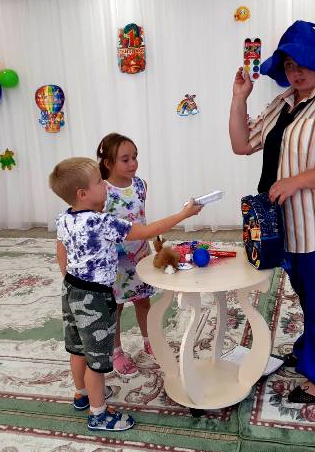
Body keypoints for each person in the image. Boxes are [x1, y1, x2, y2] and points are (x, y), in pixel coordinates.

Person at [228, 20, 315, 404]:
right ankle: (310, 350)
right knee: (308, 295)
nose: (296, 72)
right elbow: (242, 143)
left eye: (303, 63)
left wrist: (296, 181)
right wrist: (239, 98)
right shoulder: (283, 103)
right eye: (289, 64)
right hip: (289, 224)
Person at [49, 158, 202, 430]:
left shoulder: (64, 218)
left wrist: (71, 283)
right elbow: (148, 231)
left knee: (77, 348)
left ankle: (82, 395)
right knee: (97, 361)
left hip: (71, 289)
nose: (104, 185)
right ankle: (99, 414)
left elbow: (61, 254)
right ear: (82, 194)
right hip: (96, 297)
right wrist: (184, 214)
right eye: (99, 182)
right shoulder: (102, 222)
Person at [96, 133, 155, 378]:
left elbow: (140, 218)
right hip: (114, 263)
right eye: (125, 159)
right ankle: (116, 351)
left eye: (135, 157)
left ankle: (150, 341)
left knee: (143, 301)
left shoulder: (140, 185)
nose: (133, 163)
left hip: (141, 256)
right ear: (108, 163)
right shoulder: (102, 191)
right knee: (115, 307)